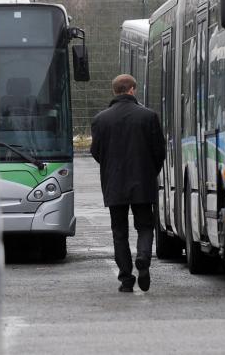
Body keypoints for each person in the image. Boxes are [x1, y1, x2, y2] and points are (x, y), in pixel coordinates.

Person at [90, 74, 166, 292]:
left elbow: (96, 152)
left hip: (114, 184)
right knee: (144, 225)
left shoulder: (100, 119)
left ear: (115, 91)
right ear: (132, 90)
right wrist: (150, 172)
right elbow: (159, 151)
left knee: (119, 231)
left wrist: (111, 169)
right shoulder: (149, 116)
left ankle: (126, 278)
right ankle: (143, 257)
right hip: (143, 181)